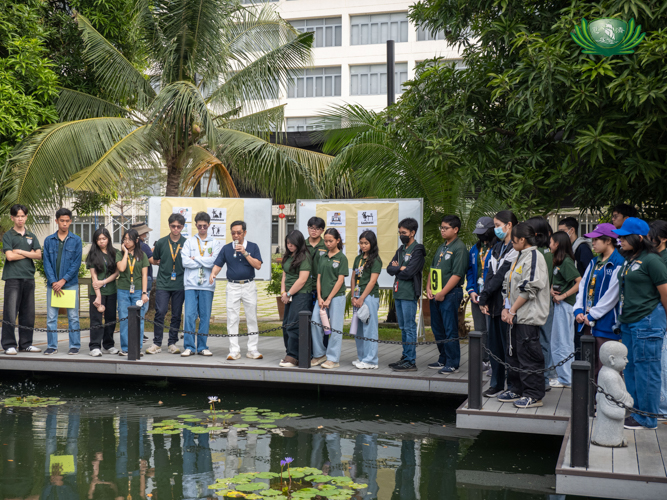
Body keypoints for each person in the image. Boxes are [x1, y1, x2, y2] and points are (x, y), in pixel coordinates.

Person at [611, 218, 667, 430]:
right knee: (632, 368)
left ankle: (647, 417)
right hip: (629, 321)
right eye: (620, 236)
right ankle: (636, 411)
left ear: (640, 238)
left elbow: (665, 293)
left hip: (648, 321)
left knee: (647, 370)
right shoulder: (629, 259)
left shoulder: (653, 261)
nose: (620, 240)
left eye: (625, 237)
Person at [500, 222, 550, 408]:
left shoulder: (534, 257)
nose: (511, 244)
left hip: (527, 316)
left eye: (513, 241)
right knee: (513, 354)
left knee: (529, 356)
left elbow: (530, 288)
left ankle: (534, 394)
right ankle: (516, 388)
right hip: (514, 315)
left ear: (522, 239)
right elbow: (508, 282)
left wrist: (512, 310)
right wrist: (506, 307)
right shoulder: (519, 256)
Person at [573, 223, 625, 381]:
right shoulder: (594, 261)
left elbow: (612, 295)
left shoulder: (618, 262)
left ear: (608, 240)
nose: (592, 243)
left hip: (607, 324)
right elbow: (583, 287)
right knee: (592, 365)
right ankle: (592, 402)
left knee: (607, 368)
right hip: (588, 322)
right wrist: (578, 310)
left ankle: (606, 403)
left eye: (596, 240)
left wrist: (593, 315)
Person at [478, 210, 519, 397]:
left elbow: (501, 276)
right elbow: (489, 275)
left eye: (497, 225)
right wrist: (484, 299)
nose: (495, 229)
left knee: (508, 348)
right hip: (492, 306)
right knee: (494, 347)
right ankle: (496, 383)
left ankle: (512, 386)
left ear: (508, 225)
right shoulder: (496, 247)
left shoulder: (515, 249)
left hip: (506, 305)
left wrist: (484, 296)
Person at [210, 220, 263, 360]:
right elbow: (218, 264)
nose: (236, 235)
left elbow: (258, 265)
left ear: (244, 233)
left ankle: (253, 349)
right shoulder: (227, 248)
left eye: (239, 232)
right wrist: (213, 274)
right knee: (232, 319)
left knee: (251, 318)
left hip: (248, 285)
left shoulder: (253, 246)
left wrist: (245, 253)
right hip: (232, 286)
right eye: (233, 233)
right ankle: (234, 350)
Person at [426, 215, 468, 374]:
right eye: (441, 228)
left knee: (450, 328)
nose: (442, 231)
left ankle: (452, 362)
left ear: (455, 229)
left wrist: (443, 293)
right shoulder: (442, 247)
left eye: (445, 228)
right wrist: (429, 287)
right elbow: (433, 268)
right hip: (436, 294)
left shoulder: (459, 248)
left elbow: (457, 274)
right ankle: (443, 358)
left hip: (450, 294)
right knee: (438, 328)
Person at [1, 204, 42, 355]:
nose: (20, 218)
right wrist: (27, 253)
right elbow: (10, 257)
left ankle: (25, 344)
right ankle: (9, 344)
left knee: (28, 313)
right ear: (12, 217)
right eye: (17, 216)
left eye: (22, 216)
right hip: (13, 278)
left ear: (26, 217)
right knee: (10, 313)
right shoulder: (8, 236)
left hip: (28, 278)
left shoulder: (31, 235)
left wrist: (20, 251)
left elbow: (38, 255)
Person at [41, 208, 83, 355]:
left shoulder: (76, 240)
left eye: (67, 221)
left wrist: (63, 281)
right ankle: (52, 346)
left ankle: (75, 345)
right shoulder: (48, 240)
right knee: (51, 318)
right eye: (62, 221)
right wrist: (54, 282)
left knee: (73, 317)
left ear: (70, 221)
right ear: (56, 221)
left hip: (70, 285)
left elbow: (76, 263)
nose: (64, 223)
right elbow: (46, 263)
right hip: (52, 286)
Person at [181, 212, 223, 357]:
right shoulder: (189, 242)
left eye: (205, 226)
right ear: (196, 225)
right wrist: (204, 259)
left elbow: (214, 261)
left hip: (207, 284)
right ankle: (189, 346)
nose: (202, 228)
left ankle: (203, 346)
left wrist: (196, 258)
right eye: (200, 226)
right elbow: (185, 262)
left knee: (205, 316)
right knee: (189, 316)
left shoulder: (215, 243)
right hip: (191, 284)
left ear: (209, 225)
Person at [387, 218, 426, 372]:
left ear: (412, 232)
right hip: (398, 292)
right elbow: (390, 269)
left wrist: (401, 269)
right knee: (403, 327)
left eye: (404, 233)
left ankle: (411, 361)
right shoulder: (401, 249)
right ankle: (405, 356)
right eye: (400, 232)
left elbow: (410, 272)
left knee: (409, 327)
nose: (401, 235)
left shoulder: (418, 250)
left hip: (409, 293)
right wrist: (399, 268)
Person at [145, 213, 186, 355]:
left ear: (182, 227)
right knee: (160, 312)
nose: (176, 229)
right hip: (163, 283)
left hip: (179, 283)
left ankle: (172, 343)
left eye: (179, 226)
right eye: (173, 226)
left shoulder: (186, 243)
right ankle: (156, 342)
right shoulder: (162, 242)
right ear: (169, 226)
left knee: (176, 314)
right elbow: (155, 259)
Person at [311, 228, 349, 369]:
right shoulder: (323, 257)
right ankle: (320, 354)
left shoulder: (342, 258)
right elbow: (319, 279)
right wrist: (320, 297)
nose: (327, 243)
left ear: (338, 240)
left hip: (336, 298)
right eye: (326, 241)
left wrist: (329, 299)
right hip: (322, 299)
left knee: (335, 328)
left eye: (330, 241)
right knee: (315, 322)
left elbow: (340, 281)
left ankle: (333, 358)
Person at [548, 231, 581, 389]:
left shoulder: (566, 261)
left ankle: (567, 378)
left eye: (551, 242)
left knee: (564, 341)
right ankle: (564, 376)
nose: (549, 245)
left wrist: (564, 295)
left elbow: (579, 282)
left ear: (557, 244)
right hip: (559, 305)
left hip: (566, 305)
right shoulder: (559, 261)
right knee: (558, 341)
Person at [526, 216, 556, 392]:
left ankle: (543, 379)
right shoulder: (544, 253)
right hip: (544, 302)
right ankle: (541, 377)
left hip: (540, 302)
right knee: (541, 340)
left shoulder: (541, 254)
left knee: (541, 341)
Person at [466, 216, 496, 374]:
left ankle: (494, 361)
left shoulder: (498, 248)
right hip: (476, 295)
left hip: (490, 296)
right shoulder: (474, 249)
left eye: (483, 232)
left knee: (492, 330)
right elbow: (470, 270)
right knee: (480, 329)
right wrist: (471, 290)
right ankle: (484, 360)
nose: (480, 236)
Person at [280, 230, 312, 368]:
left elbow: (303, 279)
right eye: (287, 243)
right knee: (286, 324)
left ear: (299, 243)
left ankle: (294, 356)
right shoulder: (288, 256)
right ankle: (290, 353)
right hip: (289, 294)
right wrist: (283, 292)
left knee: (294, 324)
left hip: (301, 294)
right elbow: (285, 276)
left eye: (292, 243)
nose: (289, 246)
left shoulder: (304, 257)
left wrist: (289, 294)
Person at [86, 228, 120, 357]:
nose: (102, 241)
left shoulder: (115, 253)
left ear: (108, 239)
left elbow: (117, 272)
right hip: (96, 291)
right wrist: (98, 294)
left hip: (111, 290)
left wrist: (104, 281)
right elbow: (94, 276)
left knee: (111, 318)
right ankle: (94, 346)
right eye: (99, 239)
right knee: (96, 319)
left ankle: (108, 345)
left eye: (104, 239)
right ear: (96, 240)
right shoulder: (93, 254)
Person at [116, 229, 150, 355]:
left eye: (129, 239)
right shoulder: (119, 254)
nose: (127, 241)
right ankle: (125, 348)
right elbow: (122, 268)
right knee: (124, 319)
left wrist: (144, 293)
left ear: (136, 240)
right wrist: (125, 252)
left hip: (138, 290)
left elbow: (144, 276)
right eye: (125, 239)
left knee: (138, 319)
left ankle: (137, 348)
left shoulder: (142, 255)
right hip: (123, 290)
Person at [352, 230, 382, 369]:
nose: (363, 245)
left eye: (366, 243)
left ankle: (371, 361)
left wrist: (362, 298)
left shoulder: (375, 260)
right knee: (359, 329)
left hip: (369, 297)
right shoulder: (358, 259)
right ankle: (362, 358)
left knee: (369, 329)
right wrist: (353, 295)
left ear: (372, 243)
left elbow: (372, 281)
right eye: (361, 243)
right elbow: (353, 278)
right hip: (357, 297)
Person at [648, 220, 667, 417]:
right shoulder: (652, 257)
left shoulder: (661, 259)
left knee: (661, 362)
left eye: (652, 236)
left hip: (660, 313)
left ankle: (662, 408)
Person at [131, 222, 154, 332]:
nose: (146, 235)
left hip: (133, 281)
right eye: (144, 233)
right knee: (142, 309)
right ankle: (139, 332)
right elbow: (152, 260)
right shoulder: (144, 246)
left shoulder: (132, 246)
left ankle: (135, 332)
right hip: (145, 281)